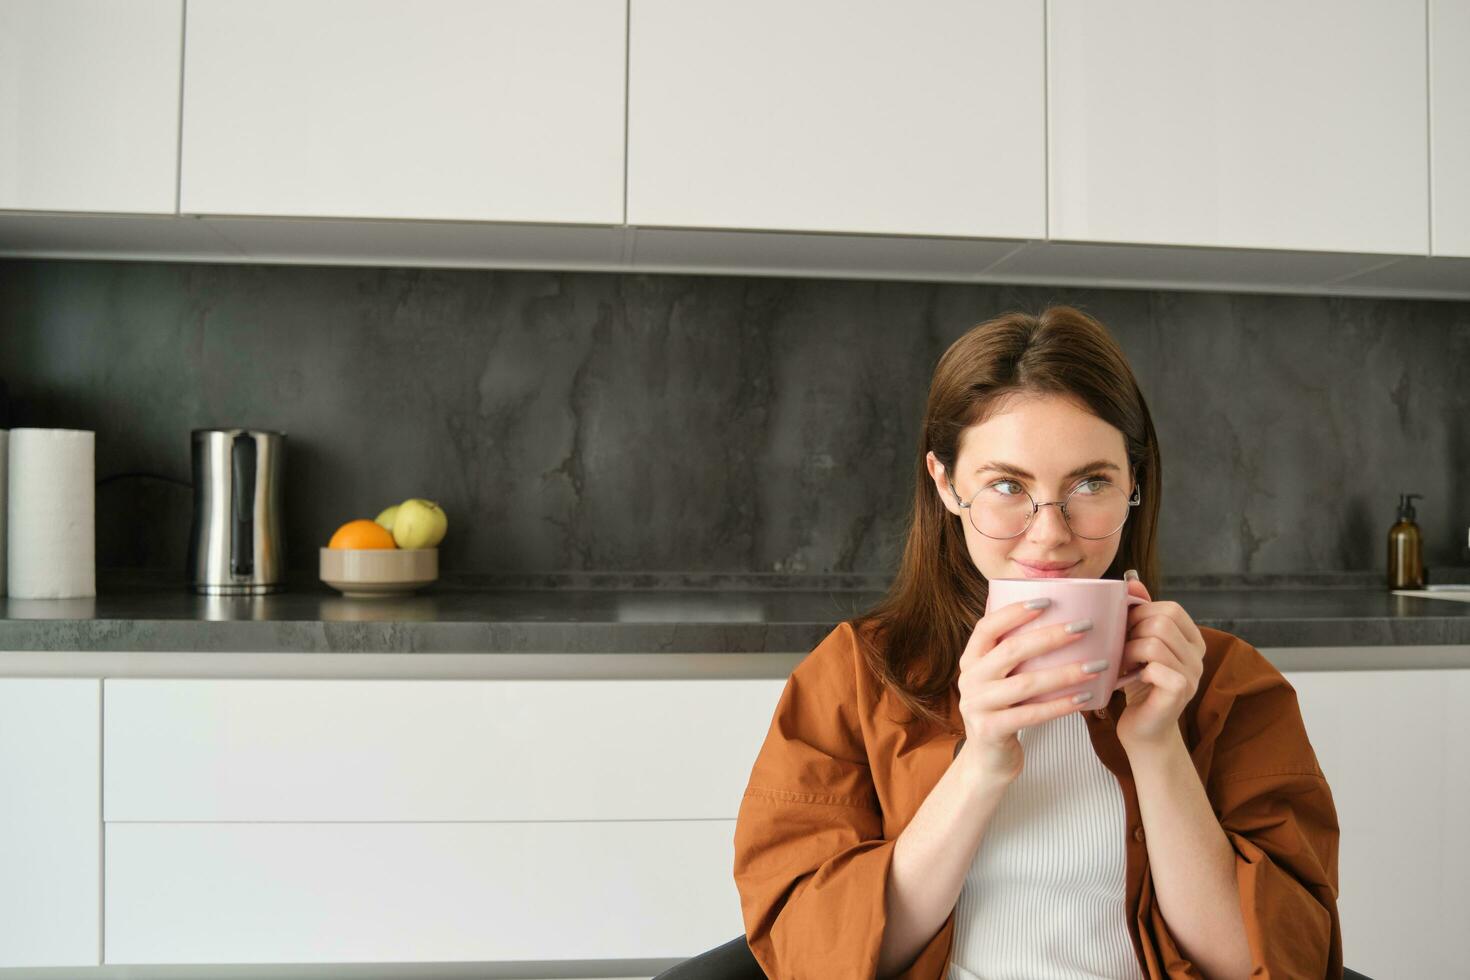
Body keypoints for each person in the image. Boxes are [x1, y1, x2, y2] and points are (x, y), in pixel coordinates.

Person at [732, 307, 1341, 979]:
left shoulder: (1229, 684)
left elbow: (1285, 966)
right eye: (1005, 485)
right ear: (945, 485)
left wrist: (1158, 745)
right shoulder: (852, 677)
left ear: (1133, 481)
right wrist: (981, 762)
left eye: (1090, 483)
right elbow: (809, 955)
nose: (1050, 534)